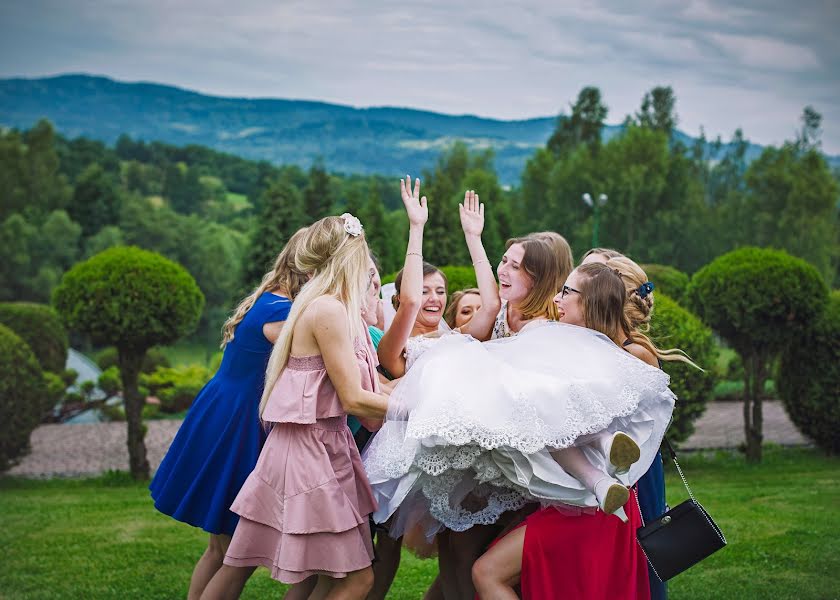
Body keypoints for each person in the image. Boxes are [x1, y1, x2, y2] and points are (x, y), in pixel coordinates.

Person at [202, 214, 390, 600]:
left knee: (275, 567)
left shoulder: (327, 306)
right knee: (356, 579)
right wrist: (418, 408)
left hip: (320, 448)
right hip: (309, 453)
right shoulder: (328, 311)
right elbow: (353, 397)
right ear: (349, 257)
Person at [472, 262, 665, 599]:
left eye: (566, 292)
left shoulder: (603, 357)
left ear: (588, 302)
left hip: (587, 507)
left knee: (487, 572)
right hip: (600, 503)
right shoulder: (590, 352)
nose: (557, 300)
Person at [149, 228, 308, 600]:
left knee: (220, 548)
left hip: (221, 411)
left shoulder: (266, 301)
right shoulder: (283, 315)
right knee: (238, 550)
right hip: (239, 426)